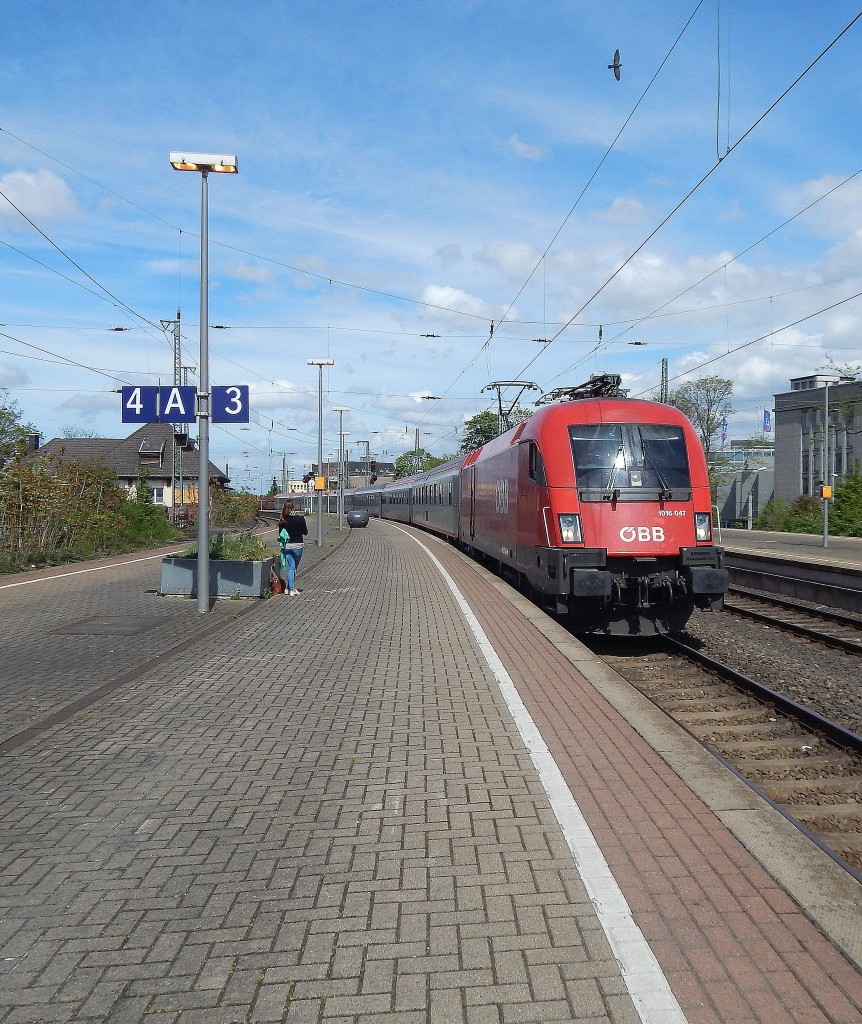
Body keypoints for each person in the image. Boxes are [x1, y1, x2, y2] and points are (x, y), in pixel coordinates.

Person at [277, 500, 308, 595]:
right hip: (298, 546)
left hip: (287, 546)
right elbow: (305, 532)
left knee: (291, 566)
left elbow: (280, 534)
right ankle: (292, 589)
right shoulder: (300, 519)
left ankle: (287, 588)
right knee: (293, 568)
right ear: (293, 508)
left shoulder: (283, 520)